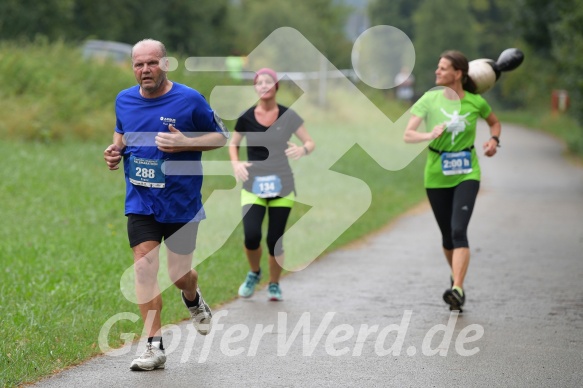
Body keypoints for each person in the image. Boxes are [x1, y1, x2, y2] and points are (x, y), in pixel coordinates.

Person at [103, 39, 229, 371]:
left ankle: (194, 299)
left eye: (151, 63)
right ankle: (154, 347)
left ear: (166, 64)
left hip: (181, 202)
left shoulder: (190, 100)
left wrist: (187, 142)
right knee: (144, 267)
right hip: (141, 200)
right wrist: (115, 150)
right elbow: (121, 133)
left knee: (178, 274)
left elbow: (220, 137)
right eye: (138, 64)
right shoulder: (124, 100)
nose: (145, 70)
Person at [403, 50, 501, 312]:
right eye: (438, 67)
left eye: (443, 68)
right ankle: (457, 279)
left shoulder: (475, 101)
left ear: (458, 74)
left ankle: (457, 287)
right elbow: (408, 134)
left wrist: (494, 141)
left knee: (459, 231)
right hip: (436, 176)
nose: (437, 71)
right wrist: (428, 135)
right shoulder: (429, 100)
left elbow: (494, 123)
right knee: (448, 237)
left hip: (467, 173)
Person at [229, 67, 315, 301]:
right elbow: (233, 144)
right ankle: (254, 272)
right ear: (255, 88)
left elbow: (309, 141)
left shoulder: (288, 115)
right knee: (251, 235)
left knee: (274, 239)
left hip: (282, 184)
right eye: (259, 82)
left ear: (276, 86)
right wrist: (236, 164)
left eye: (269, 82)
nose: (264, 85)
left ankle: (275, 284)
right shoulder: (246, 117)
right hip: (253, 183)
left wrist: (302, 148)